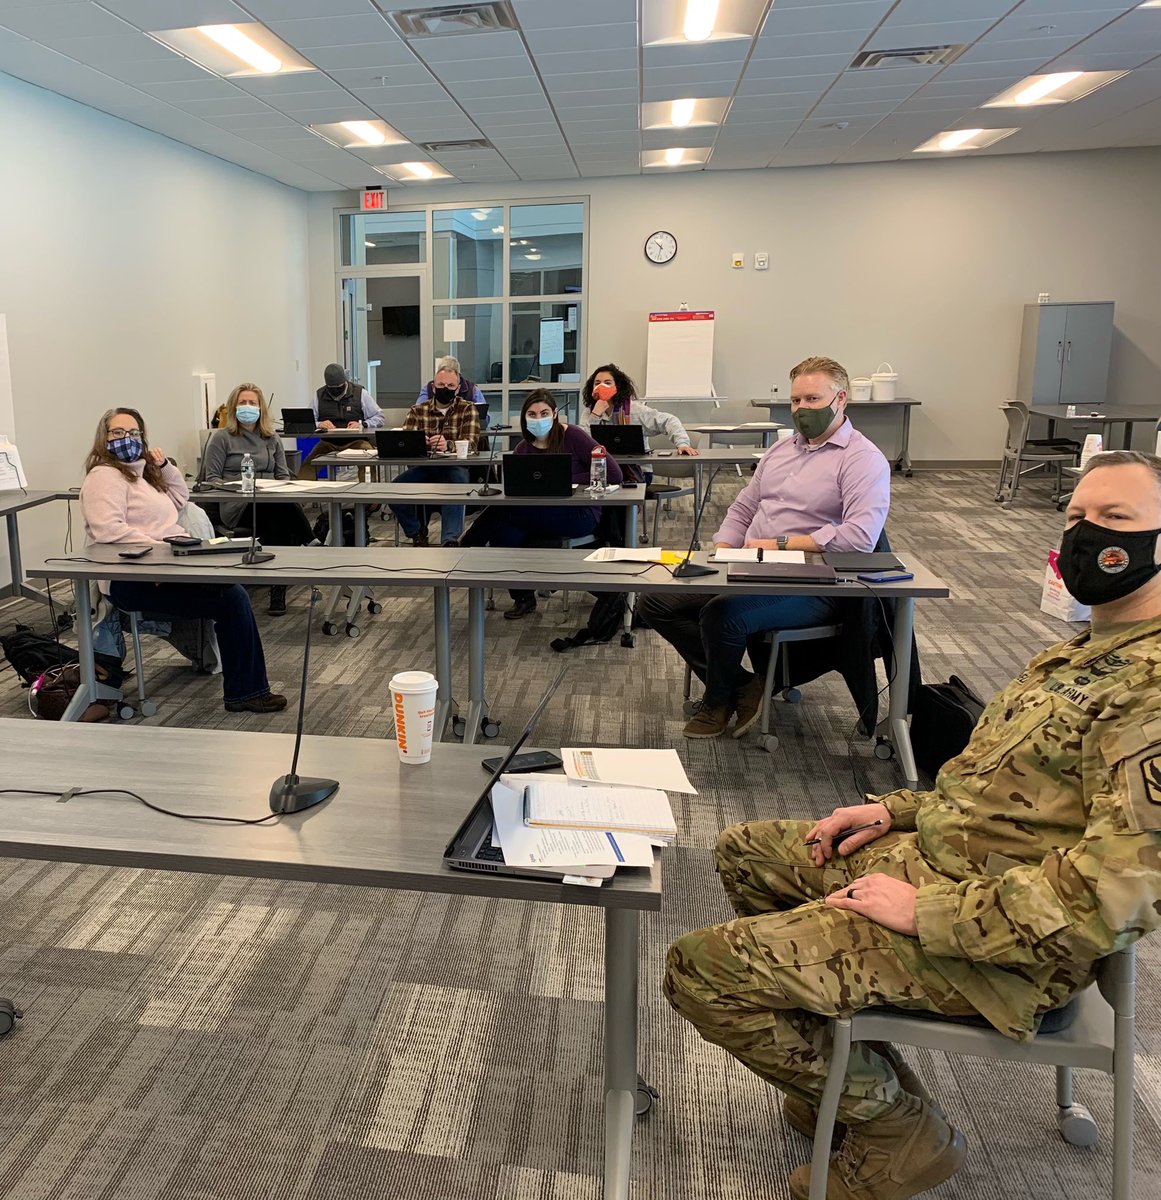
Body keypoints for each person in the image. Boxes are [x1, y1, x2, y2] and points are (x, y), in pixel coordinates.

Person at [664, 448, 1161, 1200]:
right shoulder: (1080, 655)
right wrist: (893, 809)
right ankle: (839, 1067)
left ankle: (896, 1128)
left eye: (1115, 520)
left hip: (1004, 944)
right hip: (951, 871)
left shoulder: (1149, 694)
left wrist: (924, 911)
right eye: (1075, 518)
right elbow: (998, 795)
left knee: (702, 970)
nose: (1087, 536)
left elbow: (1108, 900)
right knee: (747, 851)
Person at [639, 355, 889, 739]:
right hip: (750, 564)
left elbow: (860, 537)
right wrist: (723, 547)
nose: (801, 409)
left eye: (812, 400)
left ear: (841, 400)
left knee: (722, 615)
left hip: (813, 582)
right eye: (796, 401)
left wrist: (783, 544)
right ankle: (744, 684)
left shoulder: (862, 459)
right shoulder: (780, 451)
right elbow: (744, 506)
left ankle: (718, 700)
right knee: (655, 601)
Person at [80, 408, 287, 715]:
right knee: (232, 598)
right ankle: (247, 692)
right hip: (133, 578)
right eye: (118, 432)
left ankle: (247, 689)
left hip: (167, 566)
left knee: (232, 591)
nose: (128, 438)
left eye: (134, 432)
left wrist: (162, 466)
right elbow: (108, 530)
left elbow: (180, 499)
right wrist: (161, 551)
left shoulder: (141, 474)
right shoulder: (104, 477)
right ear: (104, 438)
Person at [460, 389, 623, 619]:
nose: (539, 419)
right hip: (533, 513)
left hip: (578, 514)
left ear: (555, 414)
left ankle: (464, 547)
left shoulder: (573, 436)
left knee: (502, 514)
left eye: (544, 413)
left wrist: (567, 479)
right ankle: (523, 598)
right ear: (525, 418)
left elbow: (615, 474)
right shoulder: (523, 448)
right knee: (505, 532)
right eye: (533, 414)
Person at [202, 382, 315, 616]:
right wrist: (242, 488)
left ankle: (278, 586)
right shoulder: (221, 438)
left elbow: (283, 474)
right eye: (243, 403)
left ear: (261, 408)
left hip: (271, 499)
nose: (247, 407)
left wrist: (279, 487)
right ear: (234, 408)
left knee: (277, 517)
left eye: (252, 403)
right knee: (277, 512)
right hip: (237, 502)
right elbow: (211, 480)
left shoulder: (271, 438)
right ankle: (311, 542)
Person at [389, 370, 482, 547]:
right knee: (392, 490)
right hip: (424, 467)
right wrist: (418, 443)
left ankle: (450, 541)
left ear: (458, 389)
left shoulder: (468, 409)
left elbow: (472, 444)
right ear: (433, 387)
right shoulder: (417, 410)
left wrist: (449, 445)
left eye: (450, 386)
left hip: (455, 467)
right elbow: (404, 442)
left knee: (456, 486)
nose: (445, 389)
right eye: (440, 385)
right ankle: (416, 532)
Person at [582, 363, 700, 463]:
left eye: (607, 383)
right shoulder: (590, 412)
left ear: (617, 386)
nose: (601, 386)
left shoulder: (634, 410)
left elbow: (669, 420)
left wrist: (682, 444)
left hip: (637, 470)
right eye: (597, 383)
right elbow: (583, 441)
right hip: (604, 468)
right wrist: (595, 416)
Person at [297, 363, 383, 478]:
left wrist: (362, 424)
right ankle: (304, 493)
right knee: (308, 466)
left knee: (368, 462)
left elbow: (379, 416)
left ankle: (367, 492)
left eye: (339, 387)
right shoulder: (319, 395)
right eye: (332, 388)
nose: (336, 391)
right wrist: (319, 424)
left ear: (345, 382)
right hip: (328, 442)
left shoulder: (360, 393)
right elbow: (308, 420)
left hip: (356, 441)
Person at [416, 355, 486, 413]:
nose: (445, 388)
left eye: (451, 385)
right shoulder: (428, 388)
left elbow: (485, 417)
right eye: (441, 384)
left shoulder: (473, 390)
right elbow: (418, 410)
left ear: (459, 375)